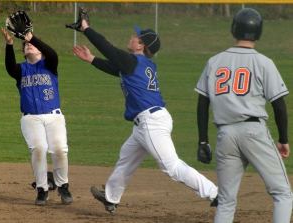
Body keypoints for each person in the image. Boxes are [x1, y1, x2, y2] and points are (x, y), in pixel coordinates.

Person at [68, 11, 218, 214]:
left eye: (136, 37)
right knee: (126, 157)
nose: (132, 38)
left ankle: (216, 193)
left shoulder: (132, 61)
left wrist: (86, 29)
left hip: (151, 123)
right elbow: (116, 68)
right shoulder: (141, 64)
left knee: (172, 167)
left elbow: (108, 48)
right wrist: (92, 59)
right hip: (148, 121)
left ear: (141, 46)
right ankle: (111, 197)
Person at [195, 8, 293, 223]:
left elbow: (202, 103)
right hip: (253, 132)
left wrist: (203, 140)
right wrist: (283, 139)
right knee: (282, 193)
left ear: (234, 29)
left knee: (226, 200)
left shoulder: (214, 61)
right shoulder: (264, 63)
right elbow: (279, 105)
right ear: (259, 32)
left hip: (225, 134)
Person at [1, 14, 73, 206]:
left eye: (32, 45)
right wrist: (9, 45)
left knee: (59, 149)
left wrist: (31, 37)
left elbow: (52, 53)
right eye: (25, 46)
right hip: (30, 118)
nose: (29, 46)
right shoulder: (21, 70)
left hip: (53, 117)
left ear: (40, 51)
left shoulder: (49, 65)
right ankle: (42, 189)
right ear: (24, 53)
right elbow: (9, 67)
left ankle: (63, 185)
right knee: (39, 149)